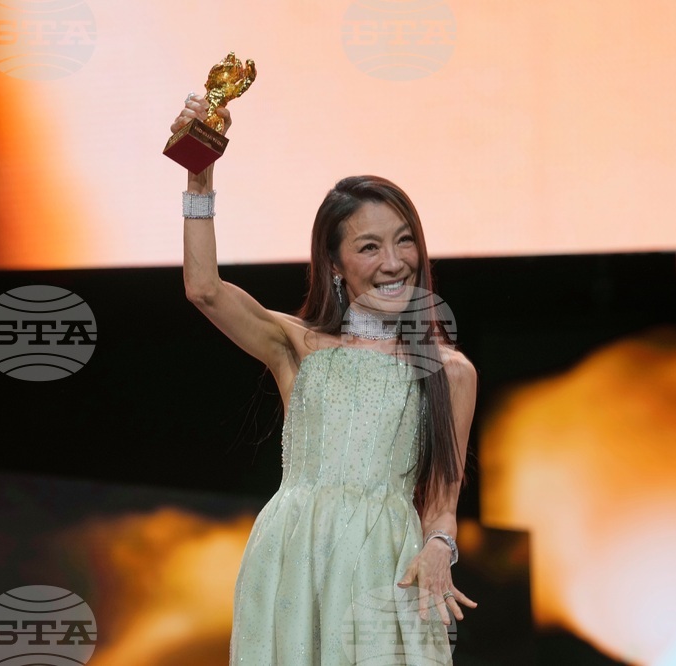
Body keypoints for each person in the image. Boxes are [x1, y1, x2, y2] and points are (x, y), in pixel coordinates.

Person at [172, 94, 478, 665]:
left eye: (404, 239)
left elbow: (442, 501)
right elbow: (204, 289)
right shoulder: (298, 345)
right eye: (369, 247)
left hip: (388, 567)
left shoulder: (450, 371)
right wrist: (199, 180)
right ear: (335, 264)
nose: (394, 261)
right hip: (294, 557)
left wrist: (439, 546)